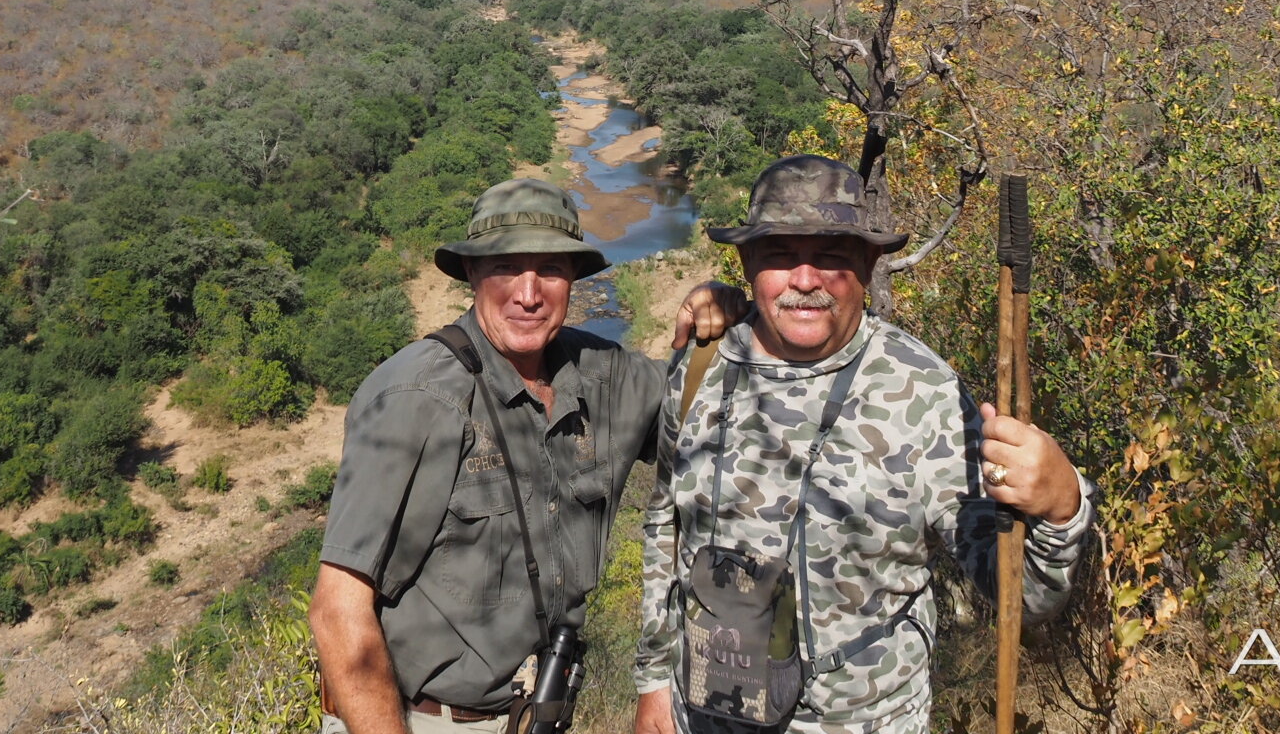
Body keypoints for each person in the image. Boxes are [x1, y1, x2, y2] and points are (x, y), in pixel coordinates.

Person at [634, 155, 1097, 734]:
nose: (806, 280)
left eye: (832, 256)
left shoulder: (925, 395)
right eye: (779, 255)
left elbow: (1023, 599)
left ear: (869, 263)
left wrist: (1061, 506)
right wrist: (654, 681)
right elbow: (663, 523)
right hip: (702, 709)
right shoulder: (700, 366)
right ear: (747, 262)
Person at [312, 177, 744, 734]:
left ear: (574, 280)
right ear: (470, 273)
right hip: (421, 722)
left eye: (551, 270)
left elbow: (702, 426)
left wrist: (720, 313)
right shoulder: (417, 397)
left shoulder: (604, 375)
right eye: (505, 267)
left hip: (541, 713)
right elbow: (338, 612)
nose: (528, 293)